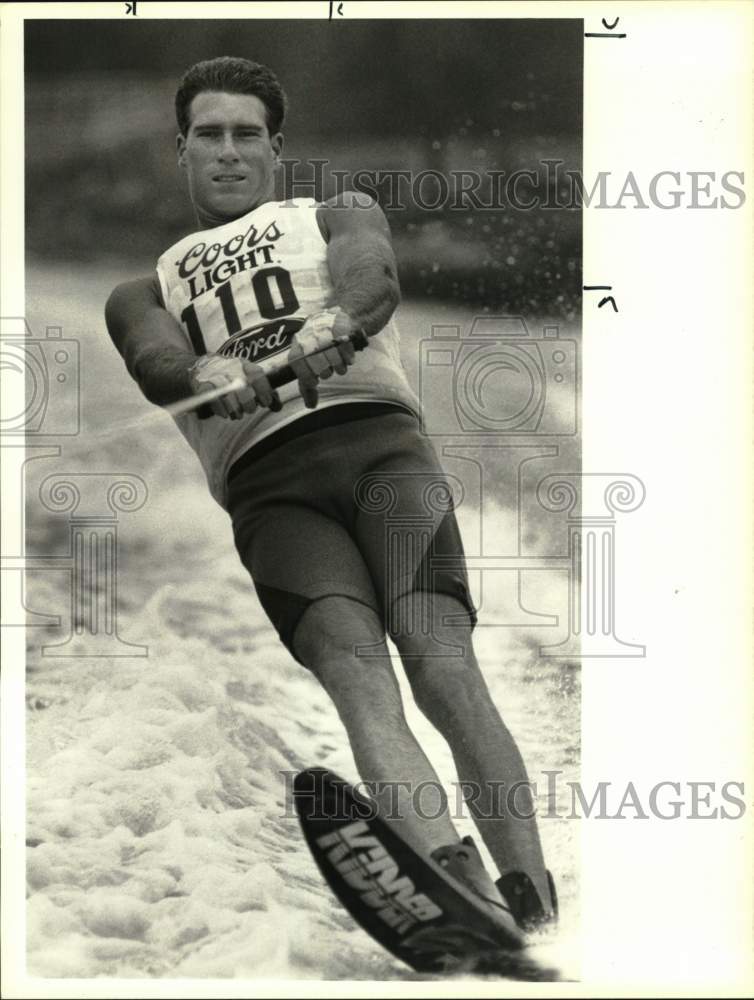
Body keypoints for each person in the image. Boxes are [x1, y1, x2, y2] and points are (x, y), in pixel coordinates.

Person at [105, 56, 557, 938]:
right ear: (182, 149)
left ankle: (532, 898)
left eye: (246, 135)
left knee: (442, 666)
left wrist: (336, 322)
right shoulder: (140, 290)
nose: (228, 153)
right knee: (359, 682)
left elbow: (372, 279)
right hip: (273, 498)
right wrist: (208, 367)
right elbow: (156, 362)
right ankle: (453, 883)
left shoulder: (332, 213)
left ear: (275, 148)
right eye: (209, 135)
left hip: (382, 456)